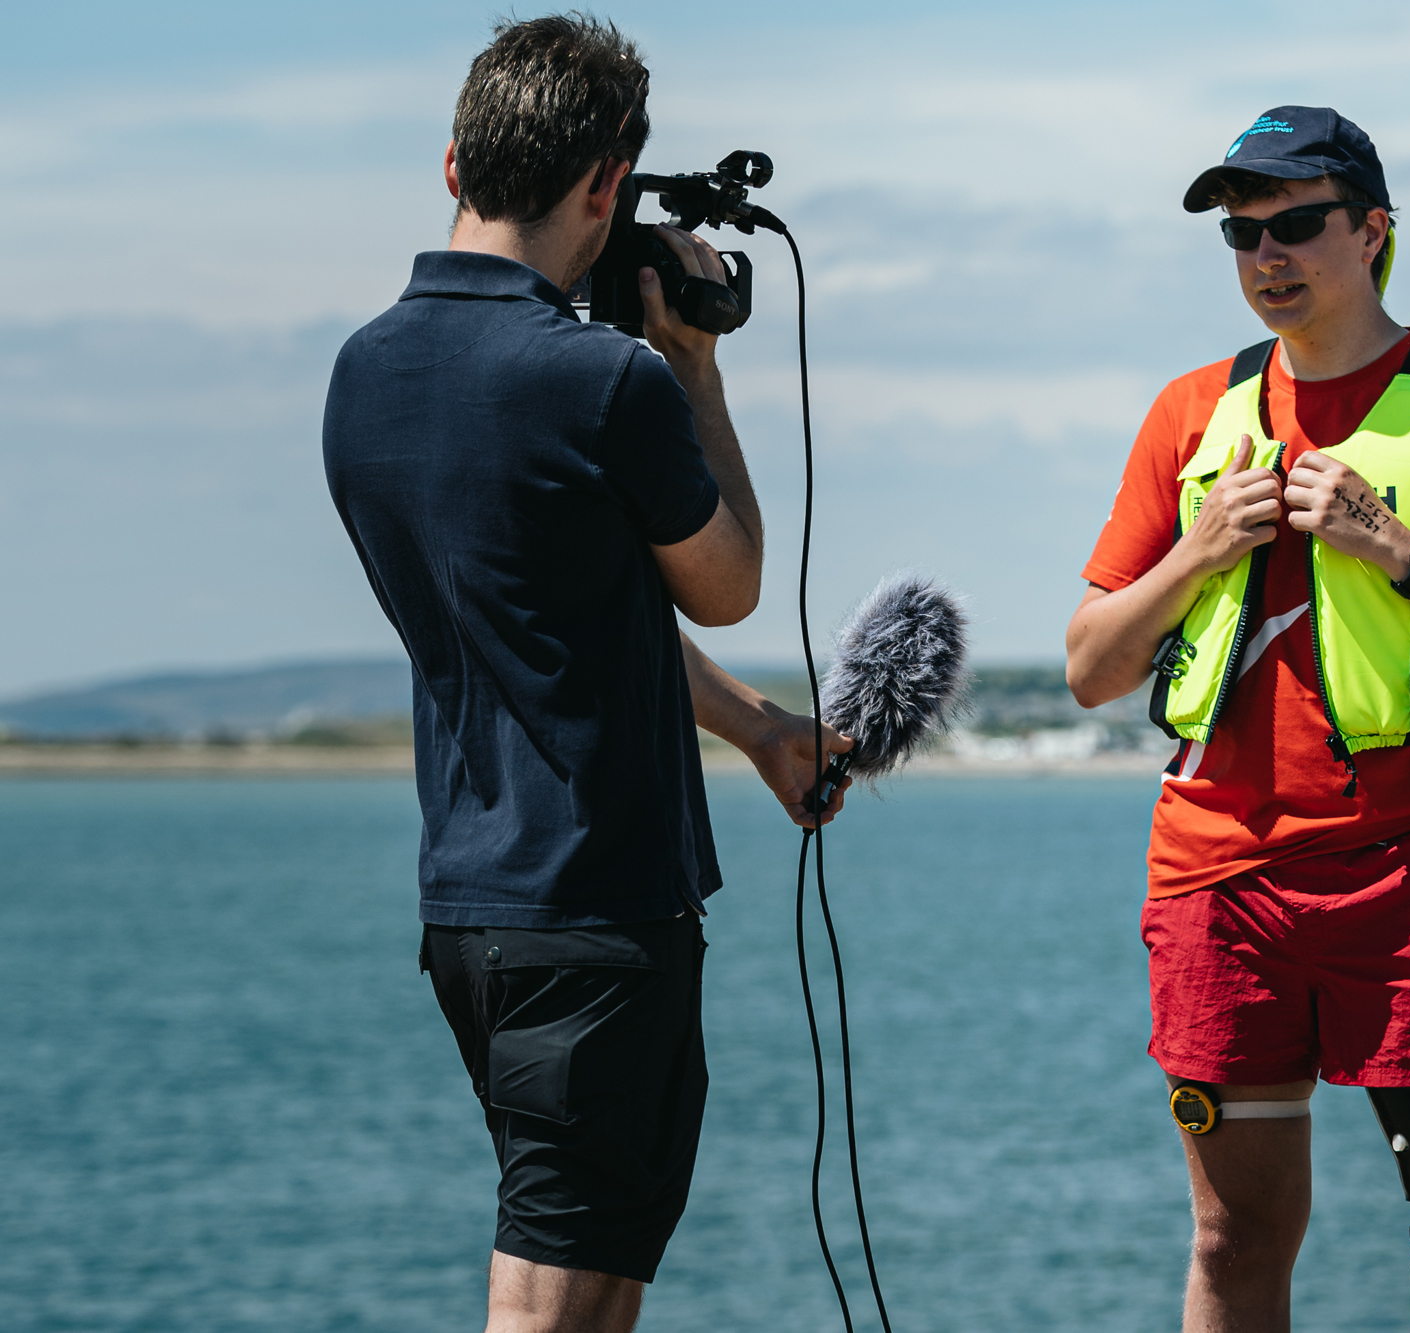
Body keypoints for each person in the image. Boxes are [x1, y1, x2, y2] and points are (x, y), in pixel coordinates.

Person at [321, 16, 848, 1333]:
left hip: (474, 907)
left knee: (597, 1286)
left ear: (455, 162)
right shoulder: (601, 381)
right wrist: (694, 366)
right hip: (595, 916)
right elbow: (724, 579)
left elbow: (563, 615)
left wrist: (753, 728)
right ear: (608, 187)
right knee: (551, 1306)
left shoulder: (363, 372)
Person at [1065, 105, 1410, 1331]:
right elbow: (1092, 665)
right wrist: (1196, 550)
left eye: (1296, 224)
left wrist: (1404, 556)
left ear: (1372, 231)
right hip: (1218, 880)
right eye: (1241, 234)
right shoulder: (1191, 411)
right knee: (1229, 1236)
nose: (1266, 256)